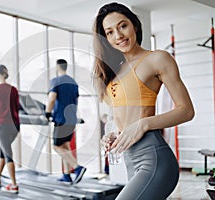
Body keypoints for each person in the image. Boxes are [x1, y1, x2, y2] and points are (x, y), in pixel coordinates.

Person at [93, 2, 194, 200]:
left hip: (154, 158)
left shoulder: (157, 58)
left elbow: (186, 110)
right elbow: (123, 115)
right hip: (129, 158)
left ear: (135, 25)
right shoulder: (116, 70)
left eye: (123, 26)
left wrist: (143, 124)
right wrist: (114, 133)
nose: (118, 36)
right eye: (110, 32)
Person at [45, 59, 86, 184]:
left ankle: (78, 168)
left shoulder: (56, 81)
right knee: (65, 146)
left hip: (60, 119)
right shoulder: (73, 82)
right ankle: (66, 175)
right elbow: (76, 100)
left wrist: (47, 113)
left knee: (57, 147)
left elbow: (52, 99)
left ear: (58, 67)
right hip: (71, 118)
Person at [0, 65, 20, 193]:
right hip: (15, 125)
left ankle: (14, 184)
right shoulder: (14, 89)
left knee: (8, 154)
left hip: (4, 125)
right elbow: (17, 106)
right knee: (3, 149)